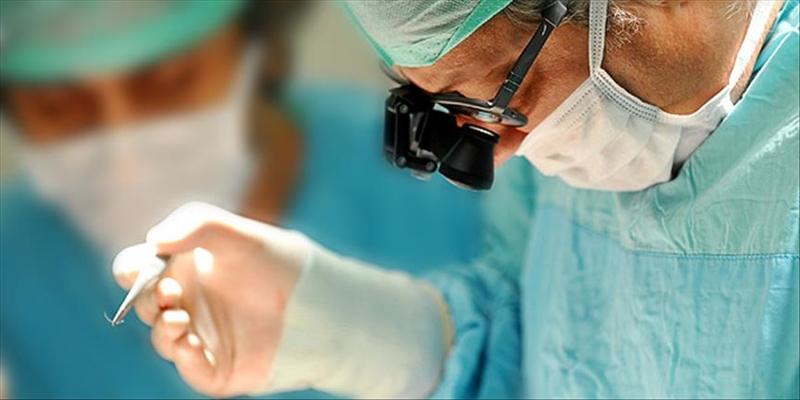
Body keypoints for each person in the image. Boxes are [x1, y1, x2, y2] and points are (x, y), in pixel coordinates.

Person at [112, 0, 797, 398]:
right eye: (443, 109)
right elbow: (546, 342)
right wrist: (351, 327)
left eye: (494, 97)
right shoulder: (561, 150)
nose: (495, 153)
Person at [0, 1, 483, 398]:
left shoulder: (448, 184)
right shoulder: (18, 266)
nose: (126, 152)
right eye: (58, 107)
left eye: (172, 80)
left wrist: (401, 343)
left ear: (259, 48)